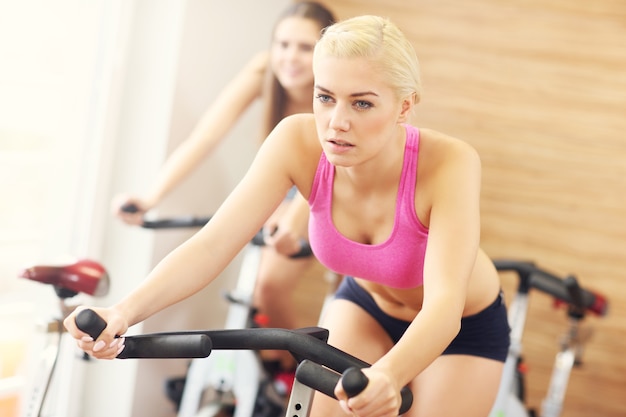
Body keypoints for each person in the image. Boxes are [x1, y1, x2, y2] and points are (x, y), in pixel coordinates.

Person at [65, 15, 510, 417]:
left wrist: (390, 374)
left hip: (461, 326)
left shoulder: (449, 162)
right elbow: (213, 244)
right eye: (325, 97)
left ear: (405, 106)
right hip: (366, 306)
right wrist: (123, 311)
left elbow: (444, 306)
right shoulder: (295, 141)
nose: (336, 122)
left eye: (362, 103)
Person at [111, 1, 335, 371]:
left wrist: (293, 219)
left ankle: (290, 369)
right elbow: (204, 137)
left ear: (324, 54)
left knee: (268, 286)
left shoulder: (333, 88)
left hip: (325, 188)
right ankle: (274, 363)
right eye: (282, 44)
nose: (289, 57)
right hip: (283, 182)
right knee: (246, 287)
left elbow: (329, 166)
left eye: (304, 47)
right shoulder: (265, 70)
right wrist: (150, 197)